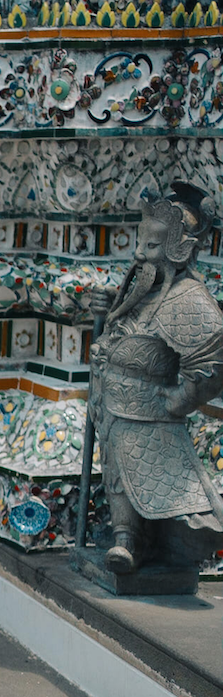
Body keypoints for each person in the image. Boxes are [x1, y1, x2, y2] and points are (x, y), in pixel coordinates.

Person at [85, 181, 223, 575]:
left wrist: (181, 398)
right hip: (110, 402)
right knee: (113, 475)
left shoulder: (190, 300)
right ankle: (124, 537)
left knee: (154, 483)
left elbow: (211, 366)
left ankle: (138, 541)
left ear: (179, 247)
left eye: (152, 245)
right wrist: (105, 311)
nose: (139, 252)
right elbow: (122, 326)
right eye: (141, 242)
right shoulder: (142, 285)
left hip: (150, 414)